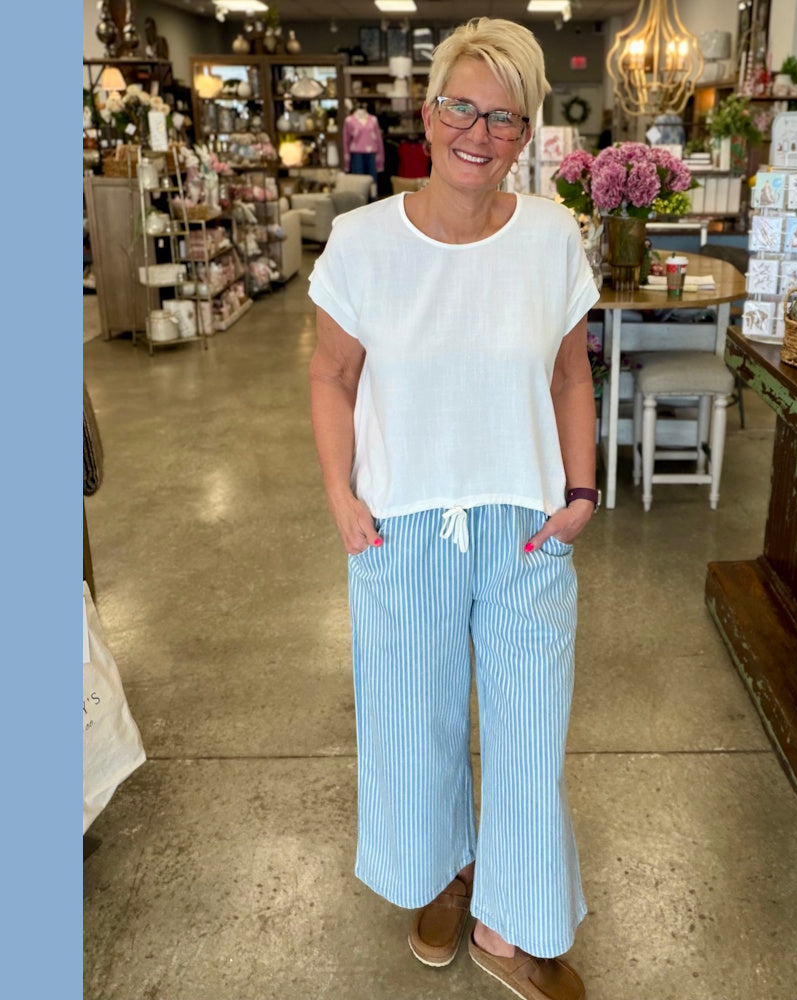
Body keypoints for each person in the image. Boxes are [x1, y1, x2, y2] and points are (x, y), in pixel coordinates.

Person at [307, 17, 599, 1000]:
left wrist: (582, 490)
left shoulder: (553, 235)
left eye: (504, 117)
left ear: (526, 134)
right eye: (461, 106)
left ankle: (509, 924)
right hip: (403, 526)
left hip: (524, 524)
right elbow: (330, 374)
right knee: (413, 724)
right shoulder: (360, 243)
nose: (479, 131)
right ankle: (440, 876)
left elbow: (569, 376)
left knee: (528, 733)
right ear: (428, 110)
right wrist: (341, 494)